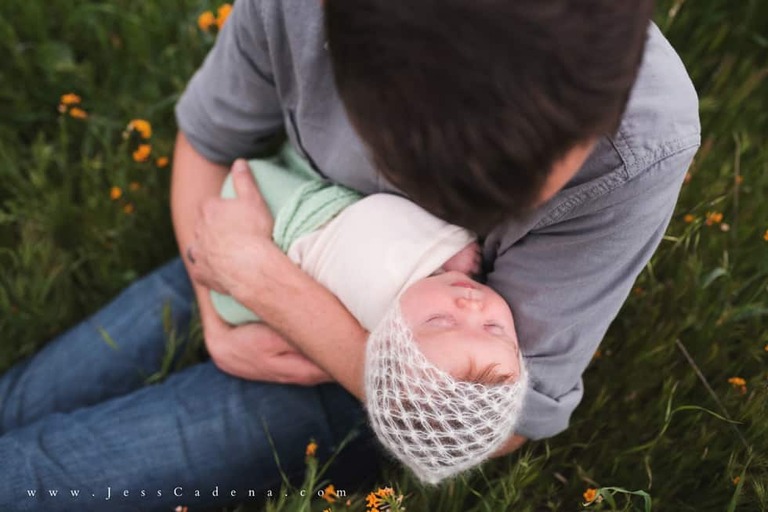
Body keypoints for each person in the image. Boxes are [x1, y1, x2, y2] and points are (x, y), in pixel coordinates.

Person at [0, 0, 700, 510]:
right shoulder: (302, 12)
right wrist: (219, 292)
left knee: (43, 472)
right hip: (264, 228)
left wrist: (272, 291)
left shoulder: (640, 145)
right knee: (32, 395)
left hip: (377, 385)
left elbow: (495, 429)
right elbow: (210, 143)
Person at [210, 145, 528, 484]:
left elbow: (383, 219)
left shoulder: (380, 286)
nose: (471, 306)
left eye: (441, 322)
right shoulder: (419, 308)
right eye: (493, 328)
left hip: (284, 218)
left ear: (387, 338)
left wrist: (453, 251)